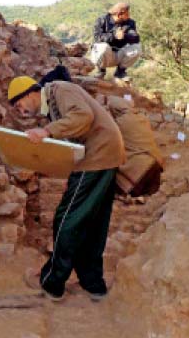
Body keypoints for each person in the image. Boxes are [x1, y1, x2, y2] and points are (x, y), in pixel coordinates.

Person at [8, 75, 125, 301]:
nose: (18, 109)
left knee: (67, 218)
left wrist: (47, 131)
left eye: (18, 103)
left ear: (30, 93)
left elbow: (83, 116)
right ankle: (93, 283)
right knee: (93, 222)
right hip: (106, 154)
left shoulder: (59, 90)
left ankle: (53, 281)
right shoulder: (53, 101)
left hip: (96, 155)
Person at [105, 96, 165, 199]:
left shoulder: (119, 123)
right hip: (156, 167)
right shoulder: (142, 118)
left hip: (139, 171)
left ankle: (128, 192)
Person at [89, 2, 142, 82]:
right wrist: (114, 36)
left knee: (137, 48)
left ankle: (120, 72)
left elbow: (136, 38)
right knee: (102, 46)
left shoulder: (130, 22)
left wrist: (124, 35)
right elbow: (97, 37)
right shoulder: (101, 20)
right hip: (103, 56)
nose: (129, 15)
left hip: (118, 54)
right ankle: (101, 71)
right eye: (127, 13)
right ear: (120, 14)